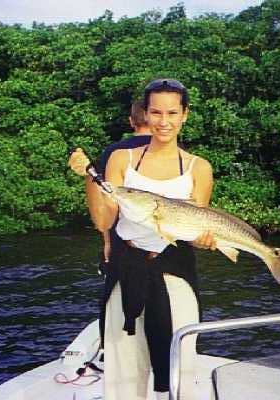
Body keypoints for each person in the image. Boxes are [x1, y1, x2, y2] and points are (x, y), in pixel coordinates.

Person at [96, 79, 215, 400]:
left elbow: (196, 225)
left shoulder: (199, 167)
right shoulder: (123, 159)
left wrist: (205, 239)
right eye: (156, 112)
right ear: (145, 114)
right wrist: (89, 182)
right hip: (127, 271)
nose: (164, 122)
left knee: (180, 367)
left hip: (176, 274)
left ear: (185, 115)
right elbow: (105, 220)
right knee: (122, 373)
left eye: (172, 113)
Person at [69, 100, 152, 267]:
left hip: (122, 239)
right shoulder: (177, 152)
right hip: (167, 242)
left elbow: (105, 201)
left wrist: (108, 242)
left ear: (131, 121)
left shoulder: (114, 152)